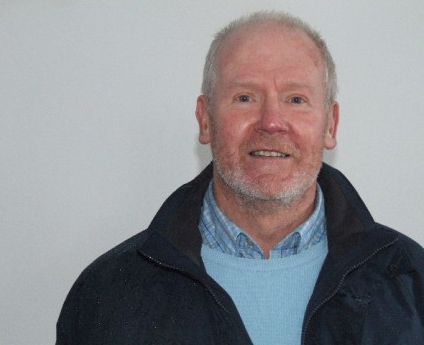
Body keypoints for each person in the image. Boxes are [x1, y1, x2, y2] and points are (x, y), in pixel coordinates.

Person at [56, 11, 424, 345]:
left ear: (331, 125)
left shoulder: (412, 283)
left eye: (296, 99)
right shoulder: (106, 295)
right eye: (245, 97)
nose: (271, 122)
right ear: (205, 120)